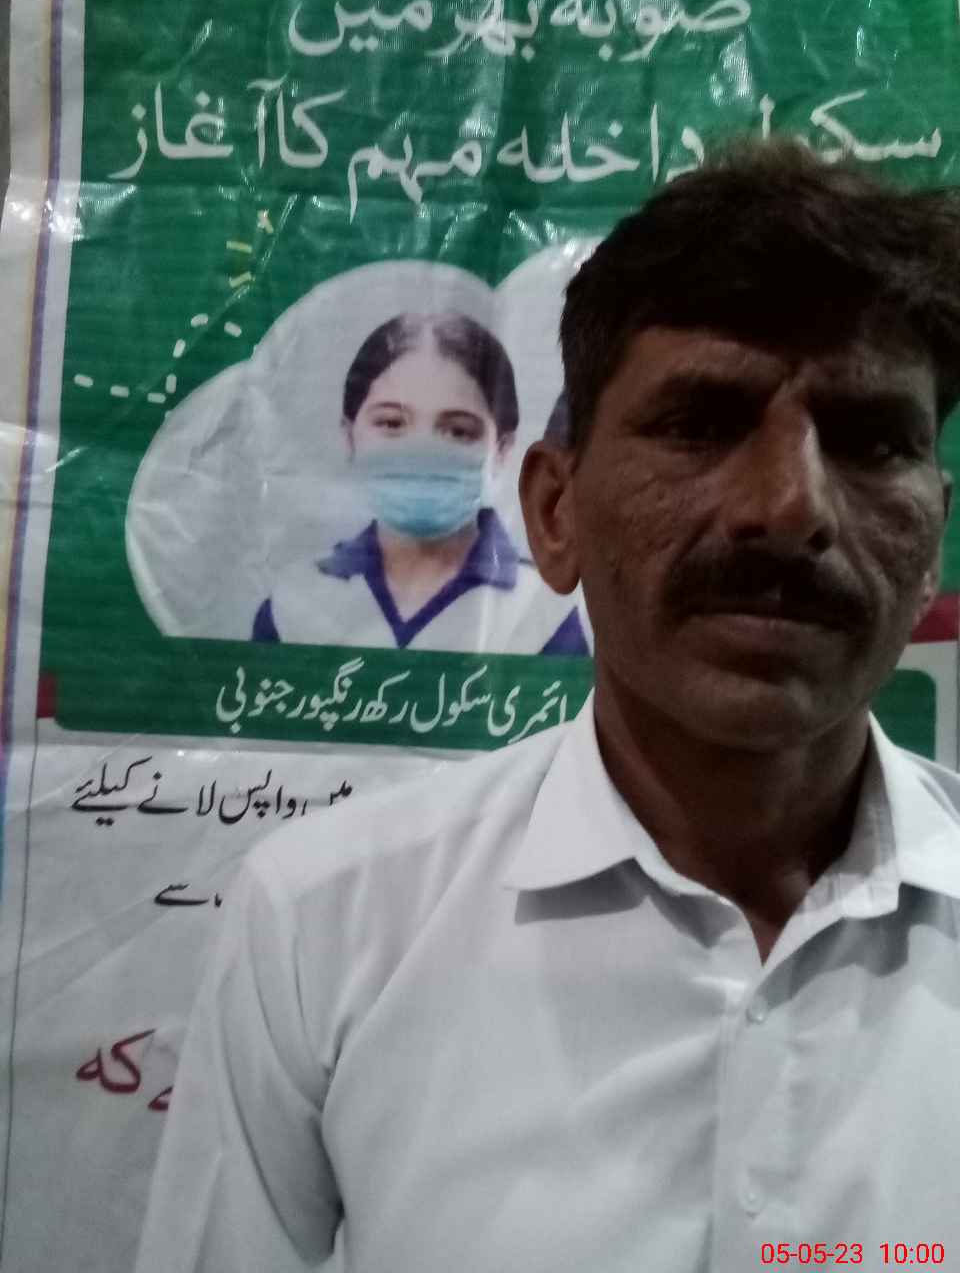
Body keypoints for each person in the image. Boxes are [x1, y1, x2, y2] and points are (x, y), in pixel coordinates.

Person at [136, 141, 960, 1272]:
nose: (789, 506)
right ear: (555, 512)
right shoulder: (324, 922)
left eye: (870, 441)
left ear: (933, 541)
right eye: (702, 423)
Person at [252, 311, 589, 654]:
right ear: (349, 436)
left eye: (458, 431)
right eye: (392, 423)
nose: (422, 449)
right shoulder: (293, 607)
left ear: (501, 449)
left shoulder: (542, 614)